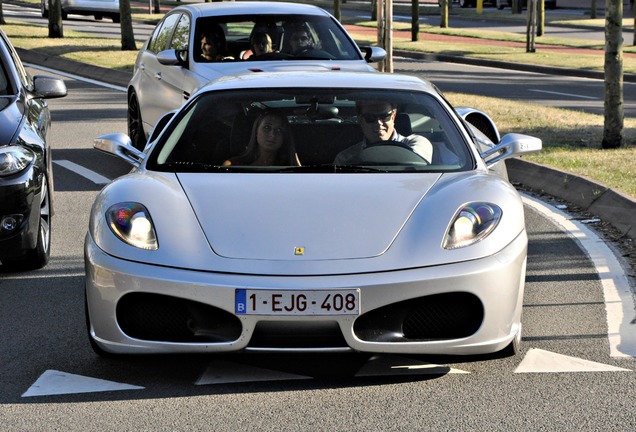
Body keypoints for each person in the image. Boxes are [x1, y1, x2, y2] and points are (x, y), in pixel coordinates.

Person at [333, 101, 433, 165]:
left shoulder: (418, 143)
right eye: (370, 118)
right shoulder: (346, 158)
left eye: (385, 116)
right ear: (360, 121)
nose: (378, 123)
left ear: (393, 117)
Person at [223, 112, 300, 166]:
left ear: (284, 137)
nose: (272, 135)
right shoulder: (232, 166)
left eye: (279, 130)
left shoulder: (289, 168)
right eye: (267, 128)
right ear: (256, 131)